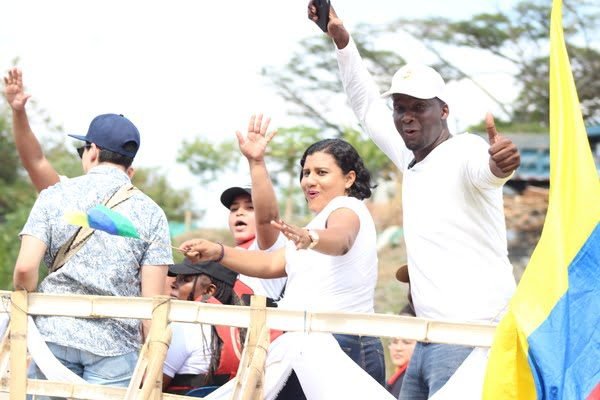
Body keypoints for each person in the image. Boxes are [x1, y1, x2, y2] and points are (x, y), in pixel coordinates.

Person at [307, 3, 521, 399]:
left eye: (418, 108)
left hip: (470, 335)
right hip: (424, 335)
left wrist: (501, 165)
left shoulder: (467, 150)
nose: (407, 117)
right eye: (400, 108)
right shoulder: (410, 158)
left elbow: (488, 172)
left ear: (443, 110)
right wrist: (342, 43)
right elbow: (365, 105)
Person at [180, 137, 385, 396]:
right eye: (305, 173)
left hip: (342, 345)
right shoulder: (313, 226)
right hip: (309, 347)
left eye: (321, 172)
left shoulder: (346, 208)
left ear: (349, 178)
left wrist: (313, 238)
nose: (309, 180)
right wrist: (218, 252)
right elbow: (270, 264)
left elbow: (342, 239)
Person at [13, 112, 172, 389]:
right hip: (116, 347)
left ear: (93, 151)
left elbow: (26, 268)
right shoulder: (152, 213)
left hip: (53, 336)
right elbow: (153, 303)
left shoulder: (54, 195)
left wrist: (26, 302)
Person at [3, 67, 135, 191]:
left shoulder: (66, 193)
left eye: (82, 150)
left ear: (93, 152)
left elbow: (35, 162)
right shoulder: (149, 210)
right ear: (130, 173)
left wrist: (18, 112)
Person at [218, 114, 288, 301]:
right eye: (234, 209)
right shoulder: (234, 254)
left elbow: (267, 219)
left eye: (250, 207)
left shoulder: (269, 246)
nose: (239, 212)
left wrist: (256, 161)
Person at [163, 259, 247, 394]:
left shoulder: (185, 326)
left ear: (209, 291)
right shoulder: (240, 329)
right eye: (177, 278)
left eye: (185, 279)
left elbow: (152, 384)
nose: (174, 283)